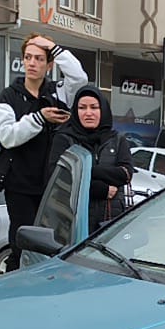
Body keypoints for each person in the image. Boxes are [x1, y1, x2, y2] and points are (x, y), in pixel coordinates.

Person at [0, 34, 86, 270]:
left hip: (53, 184)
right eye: (27, 57)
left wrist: (54, 47)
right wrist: (39, 118)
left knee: (52, 244)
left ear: (49, 64)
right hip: (20, 184)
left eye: (39, 58)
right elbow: (7, 136)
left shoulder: (58, 92)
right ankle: (14, 289)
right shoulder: (9, 96)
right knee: (21, 242)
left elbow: (79, 77)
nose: (32, 63)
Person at [47, 85, 134, 234]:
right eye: (82, 108)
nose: (88, 113)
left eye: (94, 107)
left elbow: (125, 174)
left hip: (110, 223)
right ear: (75, 111)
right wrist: (100, 189)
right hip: (72, 223)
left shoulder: (117, 140)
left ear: (103, 110)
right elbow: (58, 178)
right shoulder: (64, 138)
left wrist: (85, 170)